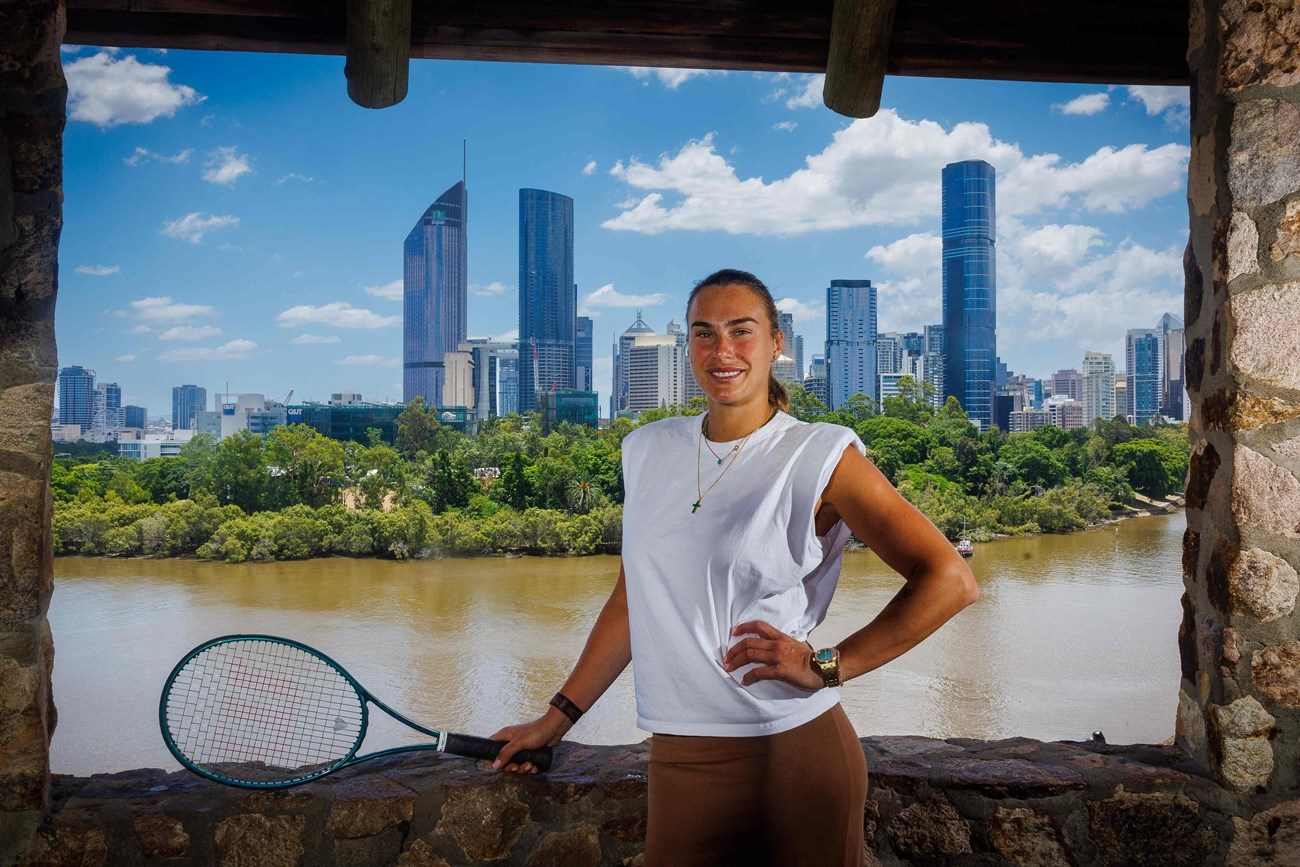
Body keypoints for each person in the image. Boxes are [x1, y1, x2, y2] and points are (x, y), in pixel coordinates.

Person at [491, 269, 979, 865]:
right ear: (687, 347)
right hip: (679, 752)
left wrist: (827, 665)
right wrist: (556, 718)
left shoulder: (821, 454)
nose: (722, 350)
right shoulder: (645, 450)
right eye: (703, 333)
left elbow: (950, 579)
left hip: (791, 747)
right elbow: (634, 598)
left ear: (777, 343)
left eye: (741, 331)